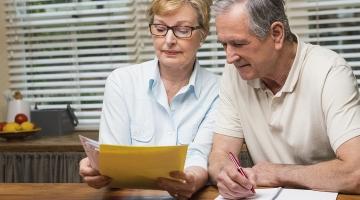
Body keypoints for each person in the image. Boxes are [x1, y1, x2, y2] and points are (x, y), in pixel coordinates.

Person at [208, 0, 360, 199]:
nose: (229, 57)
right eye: (224, 45)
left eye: (238, 44)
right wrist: (226, 175)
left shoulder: (330, 72)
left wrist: (279, 173)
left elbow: (356, 172)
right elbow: (220, 154)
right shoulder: (234, 73)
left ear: (276, 34)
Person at [79, 0, 218, 199]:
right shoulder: (121, 81)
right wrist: (97, 167)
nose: (169, 40)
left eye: (183, 29)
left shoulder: (218, 90)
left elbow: (200, 155)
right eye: (160, 28)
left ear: (202, 35)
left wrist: (192, 178)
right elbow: (113, 158)